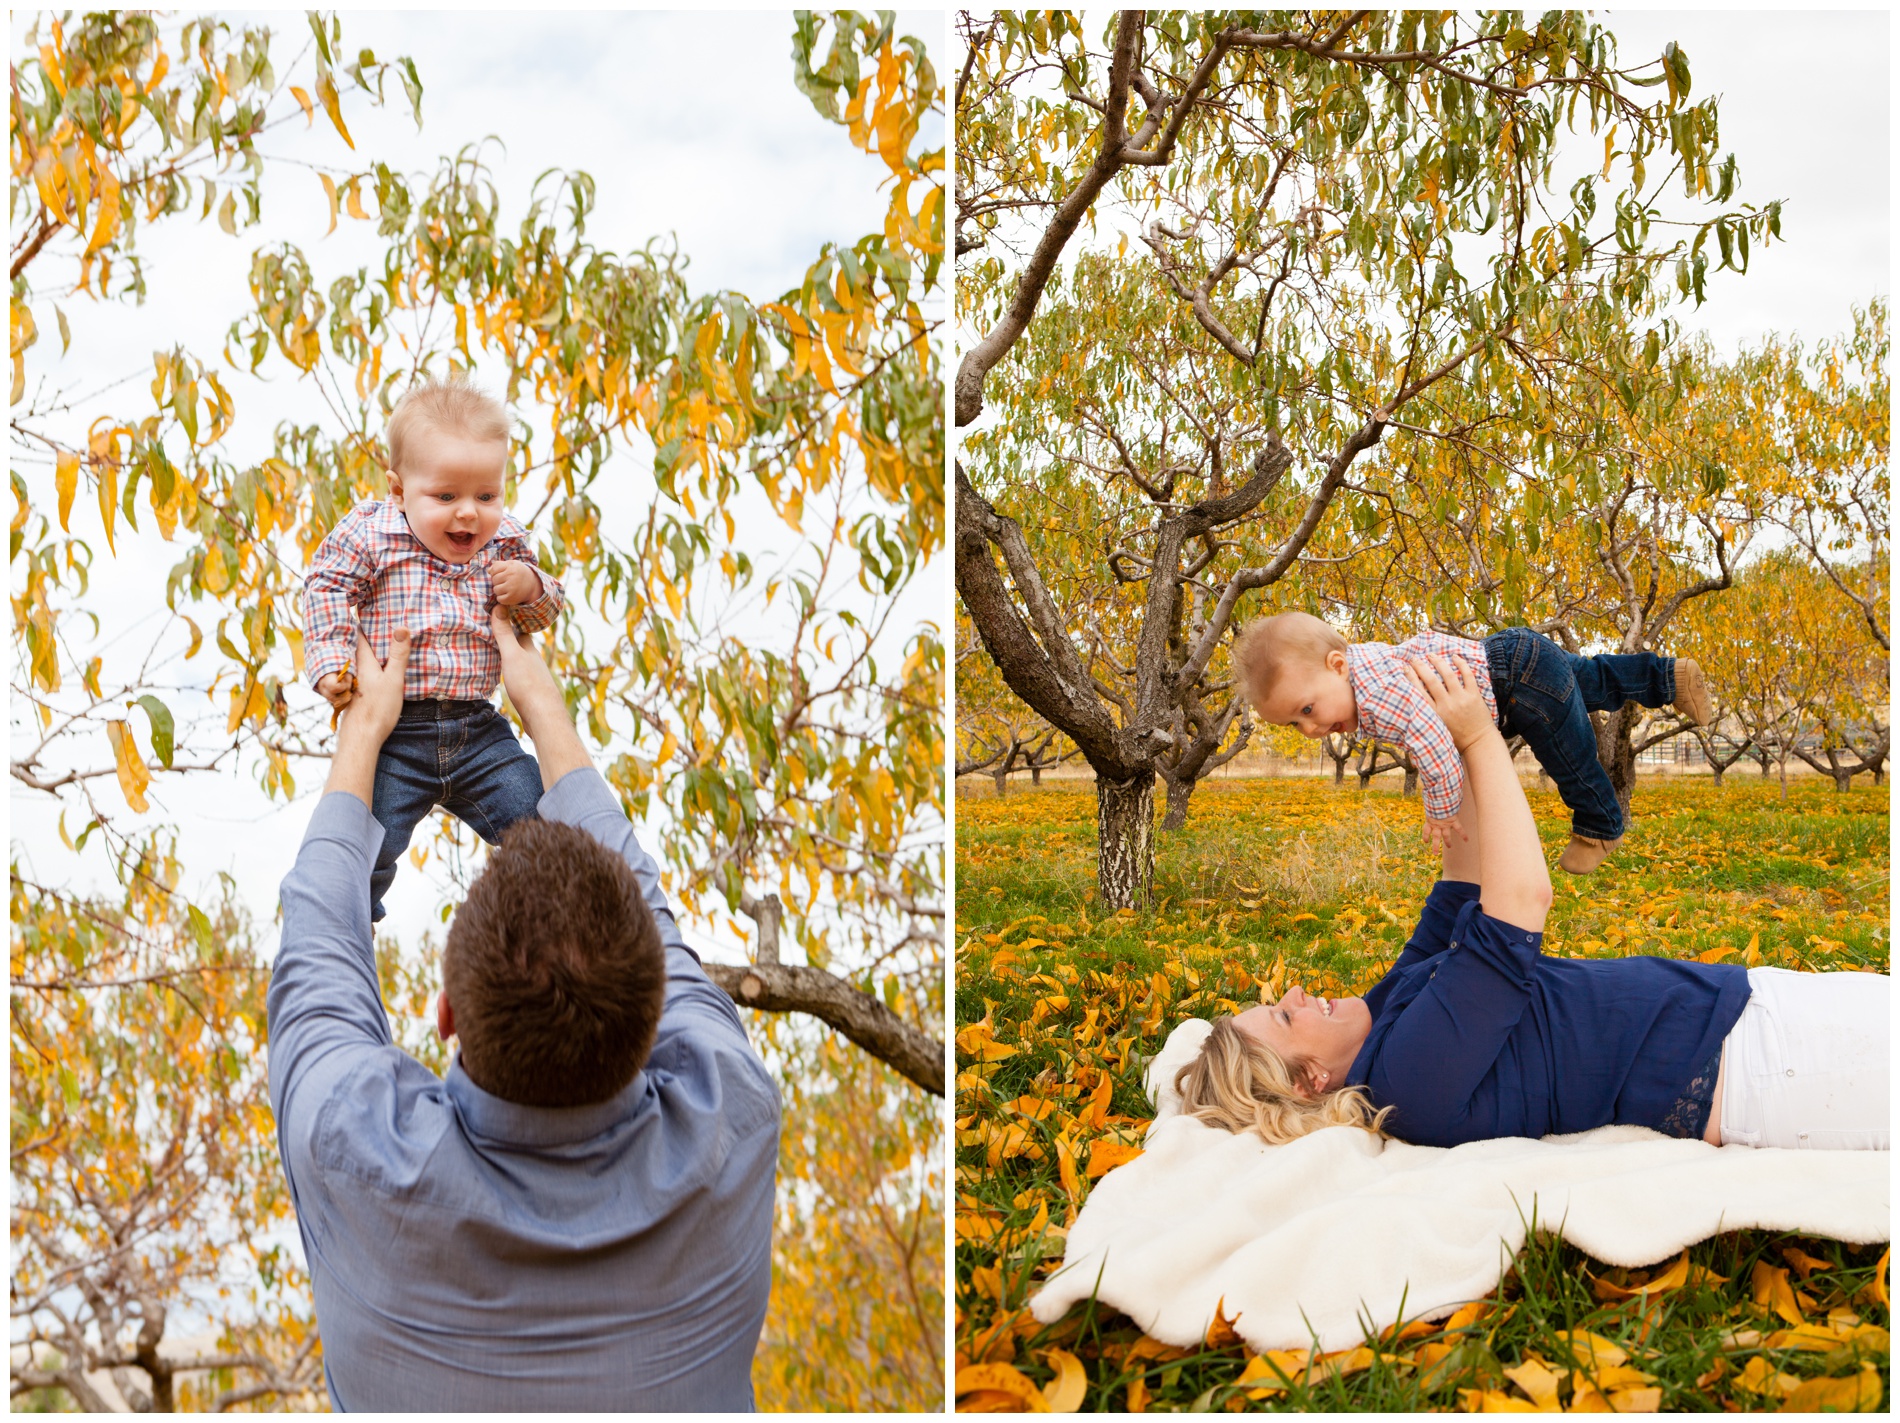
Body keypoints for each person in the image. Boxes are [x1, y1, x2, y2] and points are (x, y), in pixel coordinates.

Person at [268, 609, 780, 1411]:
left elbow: (320, 936)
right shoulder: (731, 1114)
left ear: (445, 1014)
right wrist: (543, 708)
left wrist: (365, 728)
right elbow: (646, 904)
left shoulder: (351, 1143)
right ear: (654, 1019)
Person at [1177, 651, 1889, 1153]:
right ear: (1309, 1080)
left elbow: (1464, 877)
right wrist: (1480, 737)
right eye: (1283, 1013)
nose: (1298, 991)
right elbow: (1519, 898)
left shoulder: (1389, 1010)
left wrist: (1438, 740)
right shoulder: (1409, 1077)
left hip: (1742, 1009)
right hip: (1759, 1064)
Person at [301, 378, 565, 921]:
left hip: (480, 732)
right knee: (365, 847)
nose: (469, 513)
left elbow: (543, 612)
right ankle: (351, 939)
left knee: (546, 832)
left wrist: (531, 586)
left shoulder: (506, 541)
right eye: (446, 497)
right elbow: (325, 585)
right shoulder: (373, 533)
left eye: (486, 496)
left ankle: (558, 932)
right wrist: (330, 664)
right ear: (399, 490)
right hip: (397, 732)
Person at [1232, 611, 1712, 874]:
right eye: (1295, 724)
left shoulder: (1376, 693)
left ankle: (1600, 824)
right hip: (1516, 654)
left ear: (1337, 666)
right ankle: (1670, 677)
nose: (1311, 729)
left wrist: (1440, 810)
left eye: (1308, 709)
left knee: (1569, 755)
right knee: (1595, 679)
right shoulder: (1367, 665)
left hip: (1516, 684)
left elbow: (1436, 746)